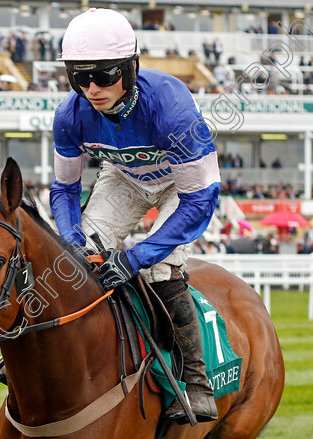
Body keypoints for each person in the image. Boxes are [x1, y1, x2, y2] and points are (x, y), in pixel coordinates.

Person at [49, 8, 219, 424]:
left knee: (158, 266)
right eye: (79, 76)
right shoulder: (68, 115)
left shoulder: (171, 105)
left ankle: (195, 382)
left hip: (184, 186)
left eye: (104, 75)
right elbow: (64, 190)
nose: (91, 88)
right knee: (75, 260)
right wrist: (72, 238)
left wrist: (135, 258)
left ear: (130, 67)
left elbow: (199, 201)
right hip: (123, 178)